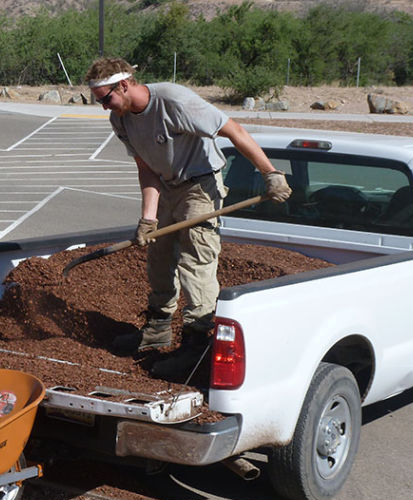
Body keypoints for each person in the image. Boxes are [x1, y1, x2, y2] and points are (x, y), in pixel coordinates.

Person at [85, 57, 291, 379]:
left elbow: (233, 129)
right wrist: (148, 219)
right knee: (159, 254)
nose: (104, 107)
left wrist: (270, 173)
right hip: (167, 187)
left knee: (195, 262)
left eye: (106, 98)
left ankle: (197, 343)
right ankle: (157, 328)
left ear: (124, 85)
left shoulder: (173, 101)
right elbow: (146, 169)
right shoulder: (121, 120)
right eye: (98, 101)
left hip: (200, 186)